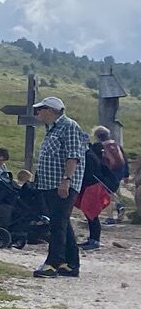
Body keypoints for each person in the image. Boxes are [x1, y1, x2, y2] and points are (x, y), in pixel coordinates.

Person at [30, 95, 87, 278]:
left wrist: (66, 180)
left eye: (41, 109)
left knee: (57, 223)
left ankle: (52, 263)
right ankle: (70, 263)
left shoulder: (69, 126)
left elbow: (73, 156)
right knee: (61, 221)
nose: (38, 112)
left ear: (51, 111)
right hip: (49, 184)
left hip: (62, 184)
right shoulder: (52, 129)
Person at [81, 124, 127, 251]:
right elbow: (124, 160)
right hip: (111, 176)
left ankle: (95, 239)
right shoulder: (114, 145)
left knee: (91, 212)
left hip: (95, 184)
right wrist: (126, 174)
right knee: (92, 211)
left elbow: (90, 171)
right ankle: (94, 239)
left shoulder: (92, 152)